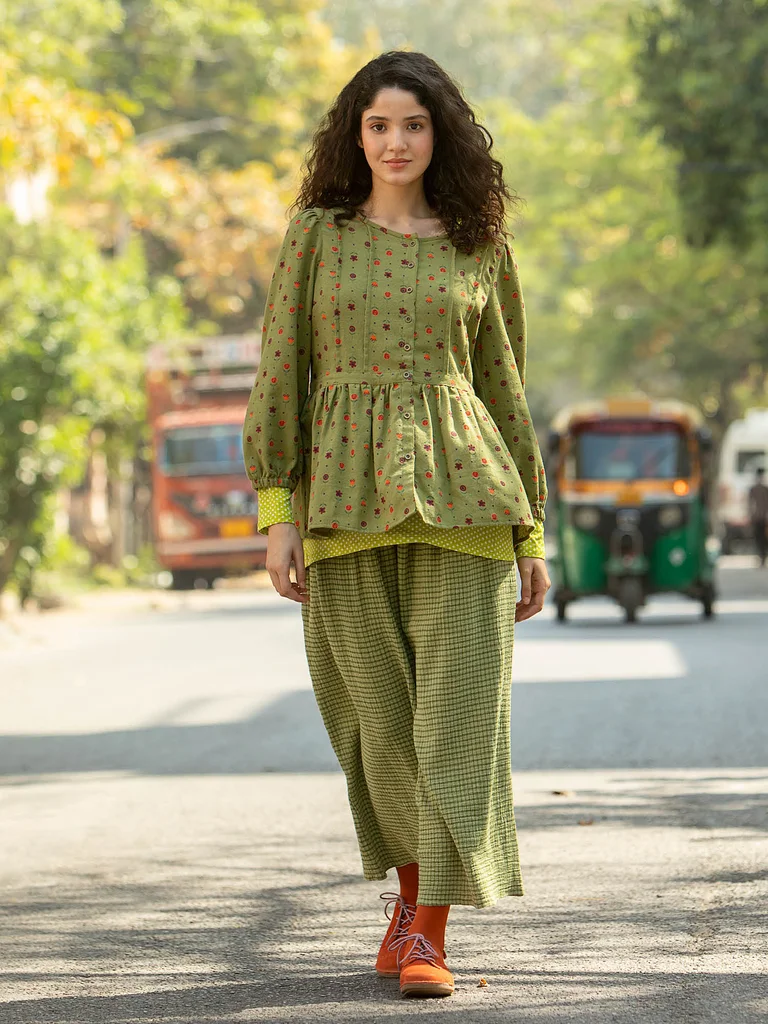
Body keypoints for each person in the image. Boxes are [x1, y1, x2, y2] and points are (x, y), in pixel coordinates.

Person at [243, 50, 550, 999]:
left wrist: (532, 533)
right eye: (378, 125)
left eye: (413, 124)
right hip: (339, 506)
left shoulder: (479, 243)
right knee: (379, 724)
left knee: (455, 722)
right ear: (355, 135)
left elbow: (503, 386)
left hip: (468, 505)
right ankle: (409, 905)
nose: (395, 142)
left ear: (440, 133)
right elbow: (281, 371)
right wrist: (277, 513)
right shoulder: (317, 236)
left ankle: (429, 935)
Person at [747, 466, 768, 567]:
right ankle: (761, 557)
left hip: (759, 517)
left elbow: (750, 504)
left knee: (760, 538)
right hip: (762, 517)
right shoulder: (763, 489)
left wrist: (751, 515)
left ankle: (761, 557)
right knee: (761, 538)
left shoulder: (756, 489)